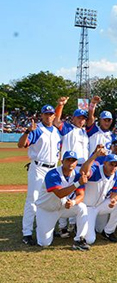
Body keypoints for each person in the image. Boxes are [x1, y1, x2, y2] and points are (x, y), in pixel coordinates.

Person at [18, 104, 61, 246]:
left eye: (50, 114)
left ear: (54, 116)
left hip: (53, 168)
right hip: (38, 168)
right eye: (46, 114)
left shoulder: (56, 132)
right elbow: (21, 145)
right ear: (41, 116)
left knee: (53, 199)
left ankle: (50, 227)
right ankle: (27, 232)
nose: (48, 116)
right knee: (33, 199)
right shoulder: (37, 130)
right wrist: (27, 132)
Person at [35, 151, 89, 250]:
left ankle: (79, 239)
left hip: (62, 206)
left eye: (73, 161)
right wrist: (77, 183)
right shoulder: (52, 174)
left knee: (82, 207)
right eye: (68, 160)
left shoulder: (77, 175)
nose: (71, 163)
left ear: (76, 163)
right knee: (44, 243)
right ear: (62, 161)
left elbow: (81, 195)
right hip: (46, 209)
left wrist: (73, 202)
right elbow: (60, 193)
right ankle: (42, 227)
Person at [79, 149, 117, 244]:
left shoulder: (116, 174)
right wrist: (94, 156)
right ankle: (79, 224)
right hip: (88, 207)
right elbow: (83, 171)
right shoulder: (96, 169)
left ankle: (108, 232)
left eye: (116, 165)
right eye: (111, 164)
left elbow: (116, 194)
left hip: (100, 205)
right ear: (105, 163)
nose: (113, 167)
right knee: (90, 240)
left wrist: (114, 200)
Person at [53, 97, 89, 168]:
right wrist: (60, 105)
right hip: (70, 166)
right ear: (73, 118)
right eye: (79, 118)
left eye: (83, 118)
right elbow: (56, 121)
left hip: (83, 166)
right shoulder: (68, 128)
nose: (81, 120)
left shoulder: (85, 132)